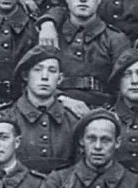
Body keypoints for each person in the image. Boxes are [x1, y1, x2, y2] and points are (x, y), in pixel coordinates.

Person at [7, 47, 83, 175]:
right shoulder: (7, 119)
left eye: (52, 71)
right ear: (25, 75)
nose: (44, 77)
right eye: (37, 70)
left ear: (60, 79)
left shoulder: (74, 120)